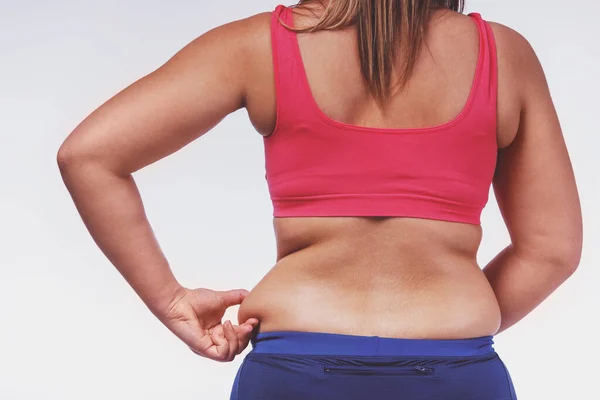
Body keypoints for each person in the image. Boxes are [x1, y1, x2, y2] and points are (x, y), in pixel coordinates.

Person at [56, 0, 583, 398]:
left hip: (293, 370)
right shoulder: (502, 55)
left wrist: (173, 303)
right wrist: (450, 321)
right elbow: (551, 250)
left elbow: (89, 155)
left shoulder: (259, 44)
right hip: (458, 375)